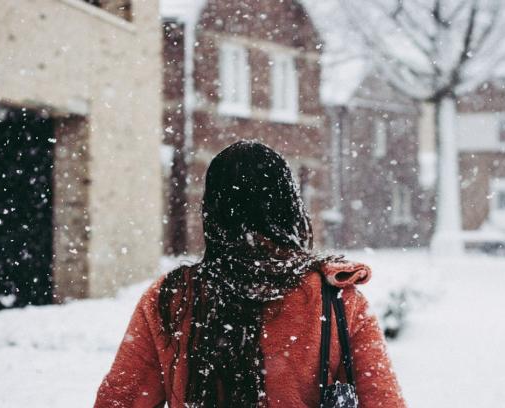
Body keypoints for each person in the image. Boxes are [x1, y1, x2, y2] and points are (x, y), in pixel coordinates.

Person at [94, 141, 405, 407]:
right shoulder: (337, 301)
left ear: (212, 212)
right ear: (291, 206)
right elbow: (384, 401)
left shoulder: (172, 298)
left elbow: (119, 400)